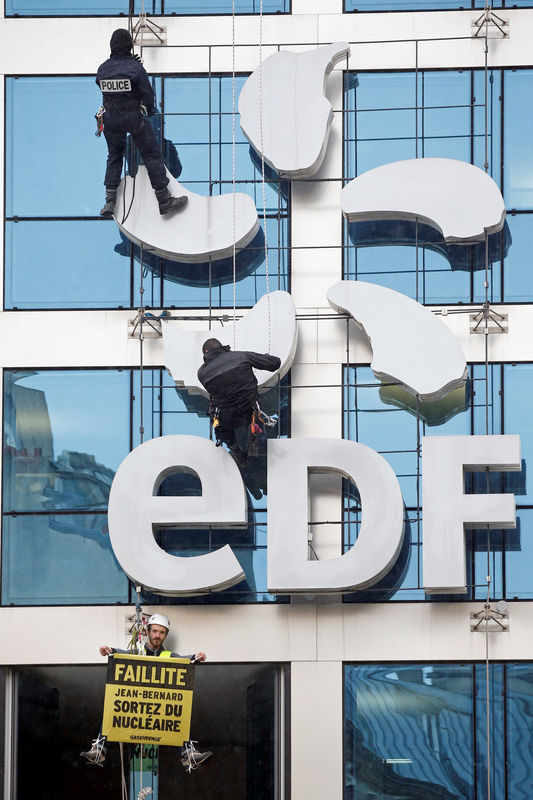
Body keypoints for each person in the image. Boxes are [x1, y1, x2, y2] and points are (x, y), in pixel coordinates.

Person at [80, 613, 212, 772]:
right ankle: (99, 751)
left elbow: (183, 660)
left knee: (178, 714)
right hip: (136, 707)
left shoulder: (168, 656)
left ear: (165, 635)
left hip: (158, 709)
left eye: (162, 632)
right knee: (114, 710)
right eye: (155, 631)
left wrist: (196, 657)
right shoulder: (137, 652)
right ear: (147, 631)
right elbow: (122, 654)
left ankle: (188, 754)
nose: (157, 635)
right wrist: (110, 651)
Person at [96, 28, 187, 218]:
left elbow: (103, 83)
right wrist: (149, 111)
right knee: (152, 154)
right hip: (132, 117)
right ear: (129, 45)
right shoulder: (136, 68)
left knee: (114, 156)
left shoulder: (102, 68)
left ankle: (110, 200)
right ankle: (164, 200)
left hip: (111, 119)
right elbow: (147, 94)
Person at [197, 338, 281, 466]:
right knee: (258, 409)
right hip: (250, 408)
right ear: (221, 347)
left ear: (206, 353)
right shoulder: (241, 356)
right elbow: (275, 363)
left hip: (228, 416)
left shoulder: (202, 373)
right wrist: (265, 357)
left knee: (220, 425)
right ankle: (255, 436)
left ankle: (234, 448)